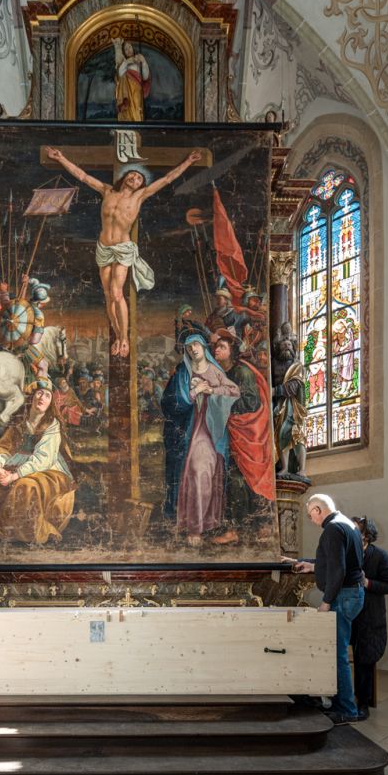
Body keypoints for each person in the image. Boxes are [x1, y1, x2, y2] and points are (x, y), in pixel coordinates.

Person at [45, 146, 201, 357]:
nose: (135, 178)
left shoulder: (140, 196)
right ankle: (118, 335)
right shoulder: (107, 190)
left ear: (141, 184)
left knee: (117, 293)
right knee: (108, 295)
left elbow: (167, 179)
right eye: (132, 175)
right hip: (104, 248)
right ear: (125, 177)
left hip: (123, 249)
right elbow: (82, 175)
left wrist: (188, 161)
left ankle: (124, 339)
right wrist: (61, 158)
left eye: (138, 178)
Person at [287, 494, 364, 725]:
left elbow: (339, 570)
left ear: (319, 510)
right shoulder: (347, 524)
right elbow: (339, 561)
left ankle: (347, 709)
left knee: (337, 654)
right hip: (352, 593)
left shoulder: (332, 529)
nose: (312, 520)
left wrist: (326, 602)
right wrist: (312, 565)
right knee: (336, 651)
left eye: (311, 515)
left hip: (342, 596)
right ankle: (340, 702)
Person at [0, 381, 76, 548]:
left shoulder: (52, 425)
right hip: (16, 467)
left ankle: (4, 531)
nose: (42, 398)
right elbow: (3, 447)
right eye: (39, 393)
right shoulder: (19, 425)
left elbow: (43, 459)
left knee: (26, 485)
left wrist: (13, 476)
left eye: (47, 395)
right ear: (31, 397)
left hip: (50, 472)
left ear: (51, 402)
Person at [166, 333, 239, 546]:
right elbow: (176, 399)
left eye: (196, 345)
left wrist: (210, 390)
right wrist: (192, 392)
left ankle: (203, 524)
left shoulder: (214, 370)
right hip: (191, 430)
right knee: (194, 471)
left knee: (205, 471)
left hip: (211, 430)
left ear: (203, 347)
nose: (193, 350)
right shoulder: (184, 372)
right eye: (189, 347)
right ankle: (194, 527)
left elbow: (234, 390)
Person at [210, 331, 275, 545]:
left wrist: (223, 400)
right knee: (231, 478)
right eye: (216, 346)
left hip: (248, 432)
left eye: (222, 346)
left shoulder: (242, 372)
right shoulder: (220, 372)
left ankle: (251, 526)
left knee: (245, 477)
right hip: (231, 432)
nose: (217, 349)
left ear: (232, 351)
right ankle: (237, 527)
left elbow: (251, 403)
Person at [350, 517, 388, 717]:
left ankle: (363, 704)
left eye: (355, 532)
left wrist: (367, 582)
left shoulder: (380, 556)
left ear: (366, 535)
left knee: (365, 660)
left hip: (370, 618)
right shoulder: (347, 553)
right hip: (348, 614)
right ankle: (341, 699)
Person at [273, 359, 308, 480]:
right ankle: (285, 468)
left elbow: (291, 388)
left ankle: (302, 469)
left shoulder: (297, 369)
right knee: (283, 437)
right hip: (284, 411)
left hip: (295, 413)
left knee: (298, 439)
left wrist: (275, 391)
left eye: (289, 342)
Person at [113, 38, 150, 121]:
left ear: (133, 48)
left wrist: (144, 62)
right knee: (127, 111)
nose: (128, 50)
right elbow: (120, 74)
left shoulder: (138, 62)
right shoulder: (124, 63)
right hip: (127, 92)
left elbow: (145, 77)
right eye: (126, 49)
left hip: (137, 91)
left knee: (137, 110)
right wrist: (126, 62)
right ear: (124, 52)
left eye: (129, 47)